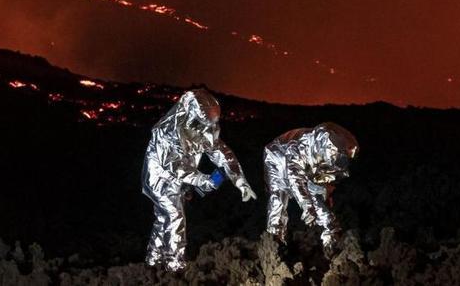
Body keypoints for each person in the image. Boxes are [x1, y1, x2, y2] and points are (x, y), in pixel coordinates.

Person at [142, 88, 256, 271]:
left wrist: (240, 180)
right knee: (174, 216)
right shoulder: (165, 133)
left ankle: (153, 259)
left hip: (182, 183)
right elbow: (174, 165)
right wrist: (202, 180)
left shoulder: (203, 129)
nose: (206, 131)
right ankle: (174, 265)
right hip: (160, 180)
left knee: (163, 217)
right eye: (201, 125)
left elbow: (222, 154)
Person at [262, 122, 358, 256]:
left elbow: (321, 193)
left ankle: (330, 235)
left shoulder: (337, 161)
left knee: (318, 194)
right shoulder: (300, 146)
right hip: (278, 155)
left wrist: (328, 220)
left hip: (311, 166)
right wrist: (307, 206)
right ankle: (275, 239)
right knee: (279, 195)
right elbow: (295, 178)